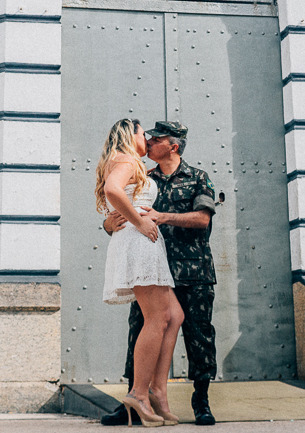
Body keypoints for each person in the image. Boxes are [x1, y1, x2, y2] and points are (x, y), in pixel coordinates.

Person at [102, 120, 218, 427]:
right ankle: (137, 397)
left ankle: (200, 401)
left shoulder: (197, 178)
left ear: (173, 145)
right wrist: (110, 225)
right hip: (151, 263)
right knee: (140, 328)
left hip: (192, 268)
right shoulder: (143, 173)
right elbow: (120, 210)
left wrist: (160, 217)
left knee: (198, 335)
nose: (150, 142)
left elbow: (202, 219)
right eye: (147, 136)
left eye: (157, 139)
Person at [95, 118, 186, 427]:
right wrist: (139, 221)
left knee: (174, 315)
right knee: (158, 317)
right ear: (127, 135)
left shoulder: (129, 162)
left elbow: (116, 201)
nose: (146, 140)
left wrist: (119, 220)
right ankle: (139, 394)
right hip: (139, 242)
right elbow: (112, 190)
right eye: (141, 134)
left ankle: (157, 391)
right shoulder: (125, 159)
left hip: (143, 243)